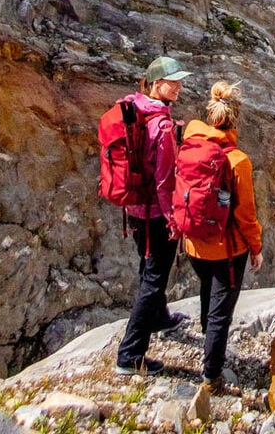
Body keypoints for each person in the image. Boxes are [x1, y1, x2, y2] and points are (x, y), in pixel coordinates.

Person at [181, 81, 264, 392]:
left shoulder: (189, 141)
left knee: (207, 291)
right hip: (226, 250)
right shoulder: (238, 160)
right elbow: (245, 215)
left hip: (192, 242)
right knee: (220, 311)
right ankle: (212, 377)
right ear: (236, 119)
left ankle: (207, 343)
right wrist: (255, 248)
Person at [114, 56, 191, 376]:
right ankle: (130, 355)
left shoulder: (136, 108)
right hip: (155, 213)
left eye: (178, 81)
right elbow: (164, 180)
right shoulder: (160, 125)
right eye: (172, 81)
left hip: (134, 208)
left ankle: (160, 318)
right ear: (156, 84)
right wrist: (173, 217)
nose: (178, 86)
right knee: (154, 277)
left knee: (148, 268)